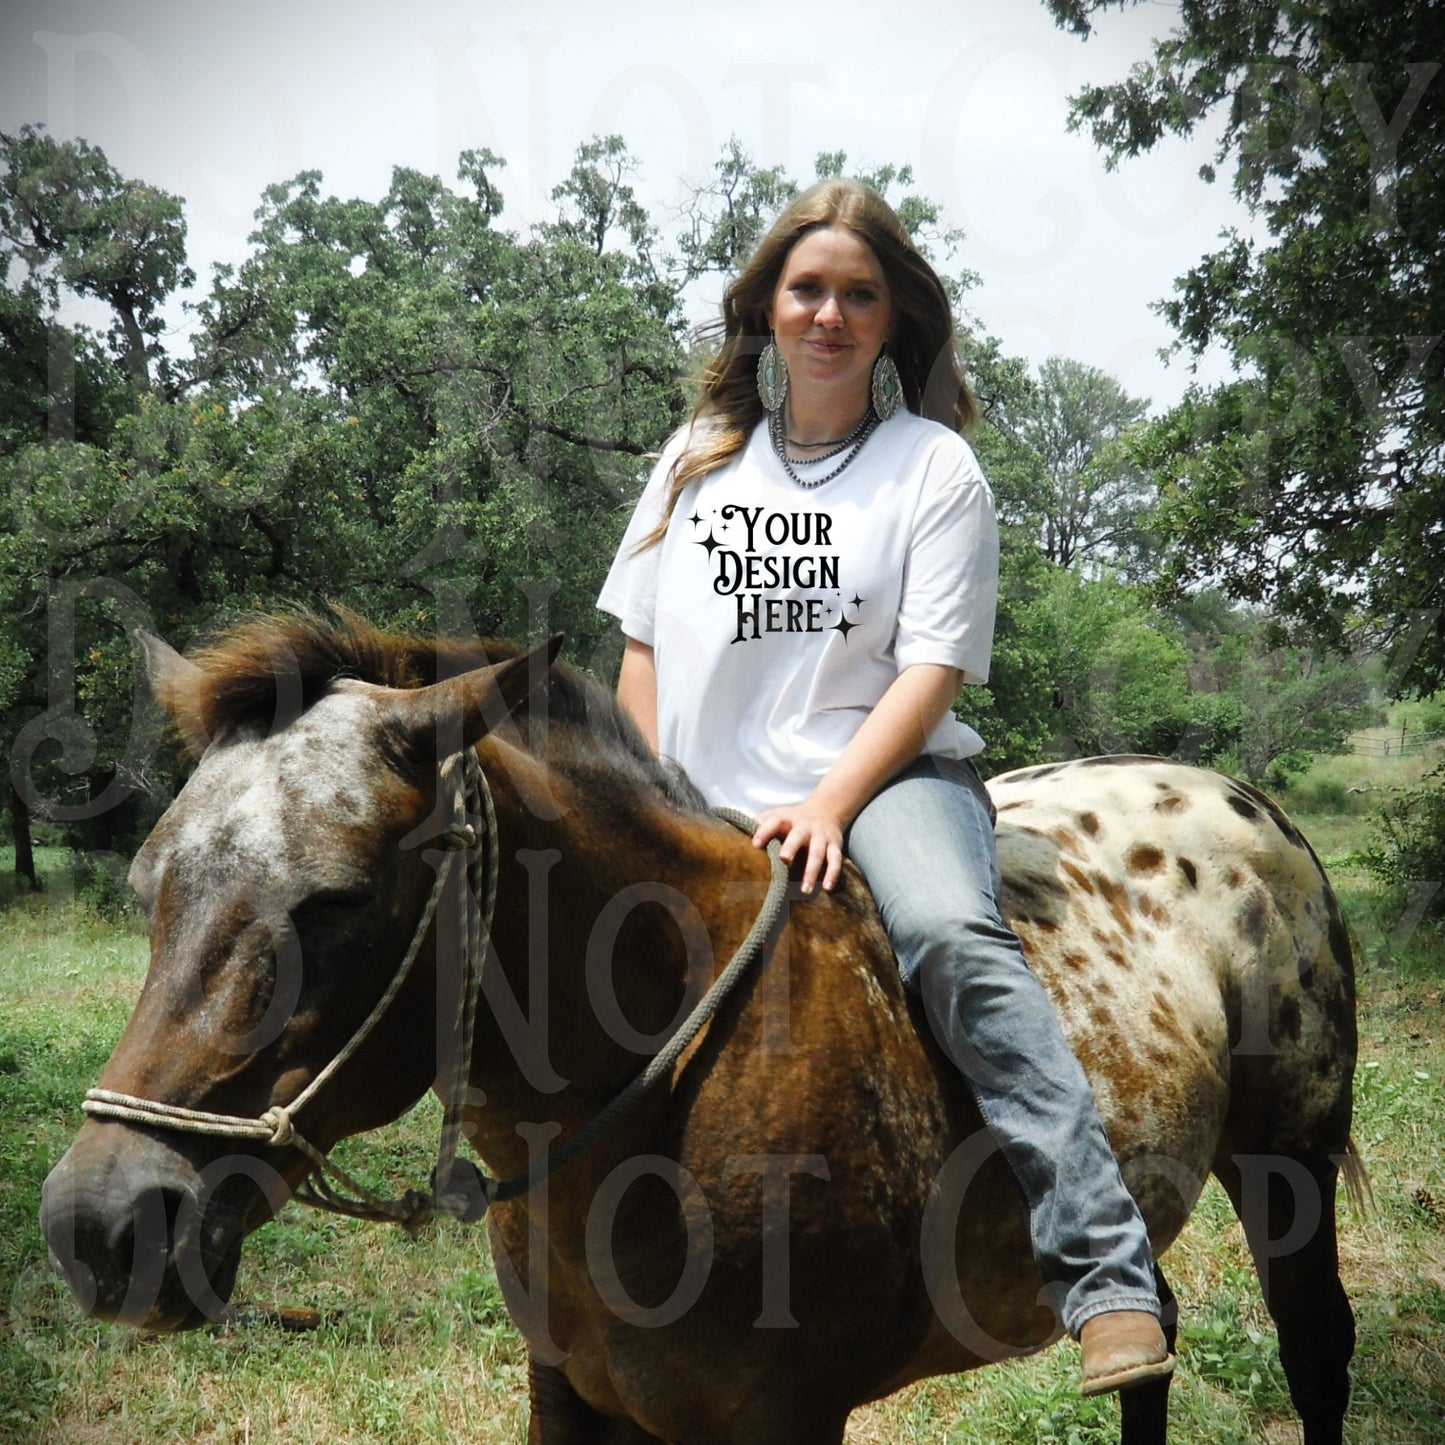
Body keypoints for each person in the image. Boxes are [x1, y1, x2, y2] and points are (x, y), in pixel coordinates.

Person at [596, 179, 1173, 1397]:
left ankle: (1105, 1272)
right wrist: (645, 794)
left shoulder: (932, 468)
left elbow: (931, 670)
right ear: (763, 310)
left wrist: (823, 802)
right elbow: (639, 649)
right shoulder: (693, 461)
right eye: (805, 289)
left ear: (892, 317)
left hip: (885, 779)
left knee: (953, 938)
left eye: (858, 294)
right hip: (695, 793)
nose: (828, 314)